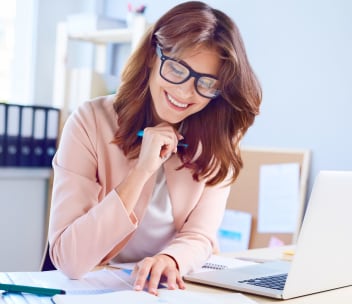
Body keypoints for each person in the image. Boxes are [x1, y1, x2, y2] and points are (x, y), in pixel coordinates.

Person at [47, 1, 261, 295]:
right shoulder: (89, 122)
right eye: (176, 69)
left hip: (160, 291)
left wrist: (171, 259)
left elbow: (199, 235)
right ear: (152, 56)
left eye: (207, 83)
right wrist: (142, 170)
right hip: (92, 287)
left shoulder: (219, 138)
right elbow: (69, 260)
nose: (185, 92)